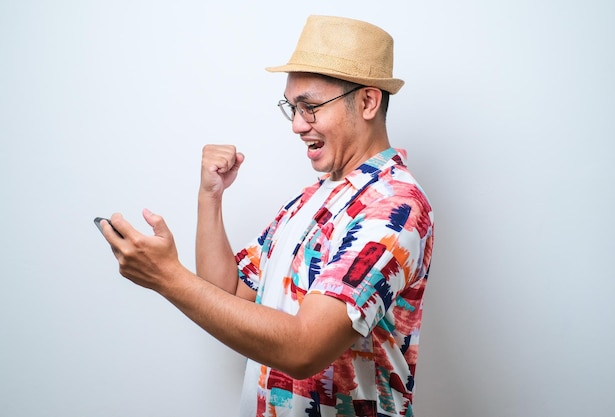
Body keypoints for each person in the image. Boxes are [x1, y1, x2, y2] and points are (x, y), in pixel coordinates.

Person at [99, 15, 434, 417]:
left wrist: (167, 277)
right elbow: (224, 294)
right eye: (291, 108)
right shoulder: (310, 200)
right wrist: (211, 197)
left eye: (309, 107)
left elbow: (304, 348)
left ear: (367, 102)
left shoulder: (394, 206)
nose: (296, 125)